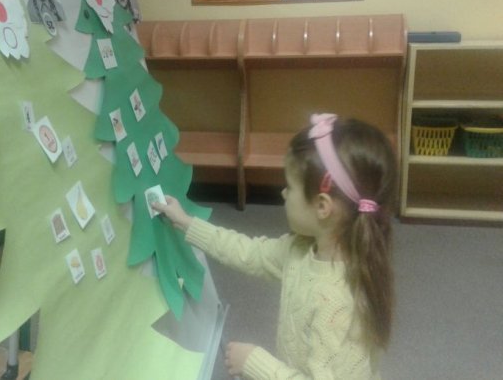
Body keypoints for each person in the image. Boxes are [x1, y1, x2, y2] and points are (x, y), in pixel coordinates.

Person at [153, 113, 397, 379]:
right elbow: (248, 252)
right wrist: (187, 223)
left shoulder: (336, 303)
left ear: (322, 206)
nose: (283, 193)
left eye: (289, 187)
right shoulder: (300, 250)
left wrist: (254, 362)